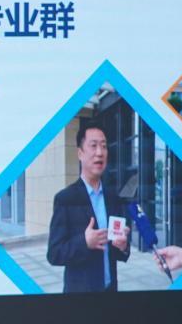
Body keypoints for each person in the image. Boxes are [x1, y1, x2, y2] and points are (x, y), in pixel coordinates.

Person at [46, 124, 129, 292]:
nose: (100, 152)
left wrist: (123, 246)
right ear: (80, 153)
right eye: (93, 145)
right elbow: (54, 253)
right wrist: (84, 242)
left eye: (104, 146)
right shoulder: (65, 199)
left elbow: (118, 250)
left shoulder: (113, 196)